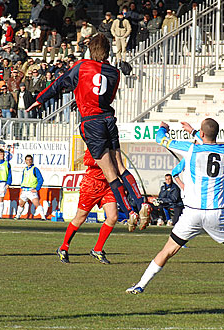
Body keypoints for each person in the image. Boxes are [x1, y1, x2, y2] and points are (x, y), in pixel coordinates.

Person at [27, 34, 149, 232]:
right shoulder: (114, 72)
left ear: (90, 50)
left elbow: (59, 84)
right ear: (108, 51)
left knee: (110, 173)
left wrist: (40, 99)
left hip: (92, 123)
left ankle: (130, 212)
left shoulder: (82, 66)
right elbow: (106, 96)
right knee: (119, 165)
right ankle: (141, 202)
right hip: (109, 119)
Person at [126, 120, 224, 298]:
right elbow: (206, 142)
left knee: (168, 250)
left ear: (201, 133)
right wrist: (194, 132)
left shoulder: (190, 149)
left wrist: (164, 128)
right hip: (216, 211)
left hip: (192, 212)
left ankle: (140, 285)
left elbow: (160, 139)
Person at [57, 149, 119, 264]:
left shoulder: (112, 144)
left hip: (107, 185)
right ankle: (63, 248)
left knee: (113, 217)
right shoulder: (95, 143)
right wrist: (105, 163)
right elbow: (87, 161)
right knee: (80, 217)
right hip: (92, 185)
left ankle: (97, 249)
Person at [14, 154, 45, 220]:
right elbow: (23, 179)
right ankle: (17, 216)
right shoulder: (25, 169)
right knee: (21, 204)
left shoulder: (35, 169)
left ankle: (43, 216)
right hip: (24, 190)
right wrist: (22, 187)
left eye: (30, 160)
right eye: (27, 160)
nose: (29, 161)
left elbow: (40, 179)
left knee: (36, 203)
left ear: (32, 161)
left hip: (31, 190)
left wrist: (37, 189)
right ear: (25, 161)